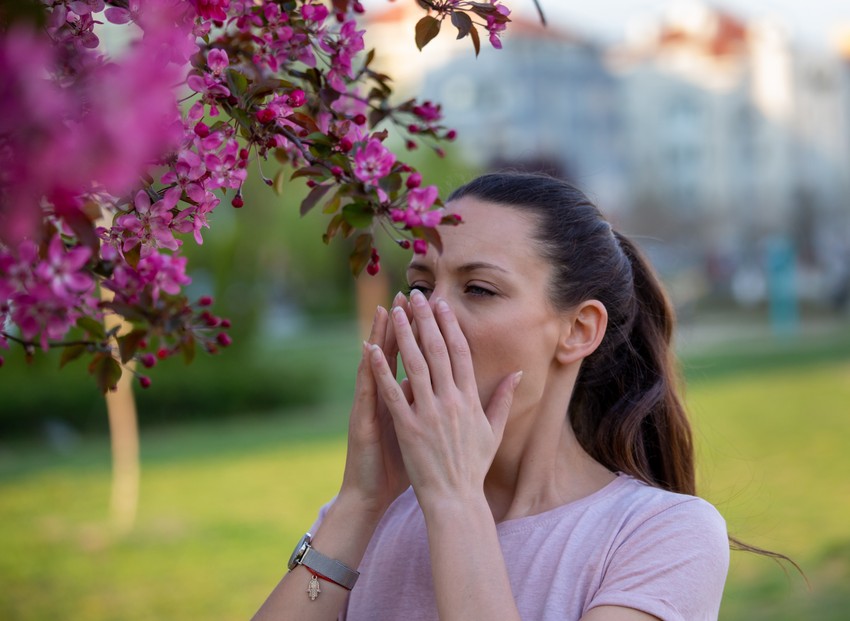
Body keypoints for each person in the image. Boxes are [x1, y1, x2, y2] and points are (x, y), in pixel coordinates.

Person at [252, 172, 731, 621]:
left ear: (579, 330)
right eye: (420, 286)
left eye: (479, 289)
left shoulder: (660, 534)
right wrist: (360, 500)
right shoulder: (369, 517)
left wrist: (455, 501)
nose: (430, 313)